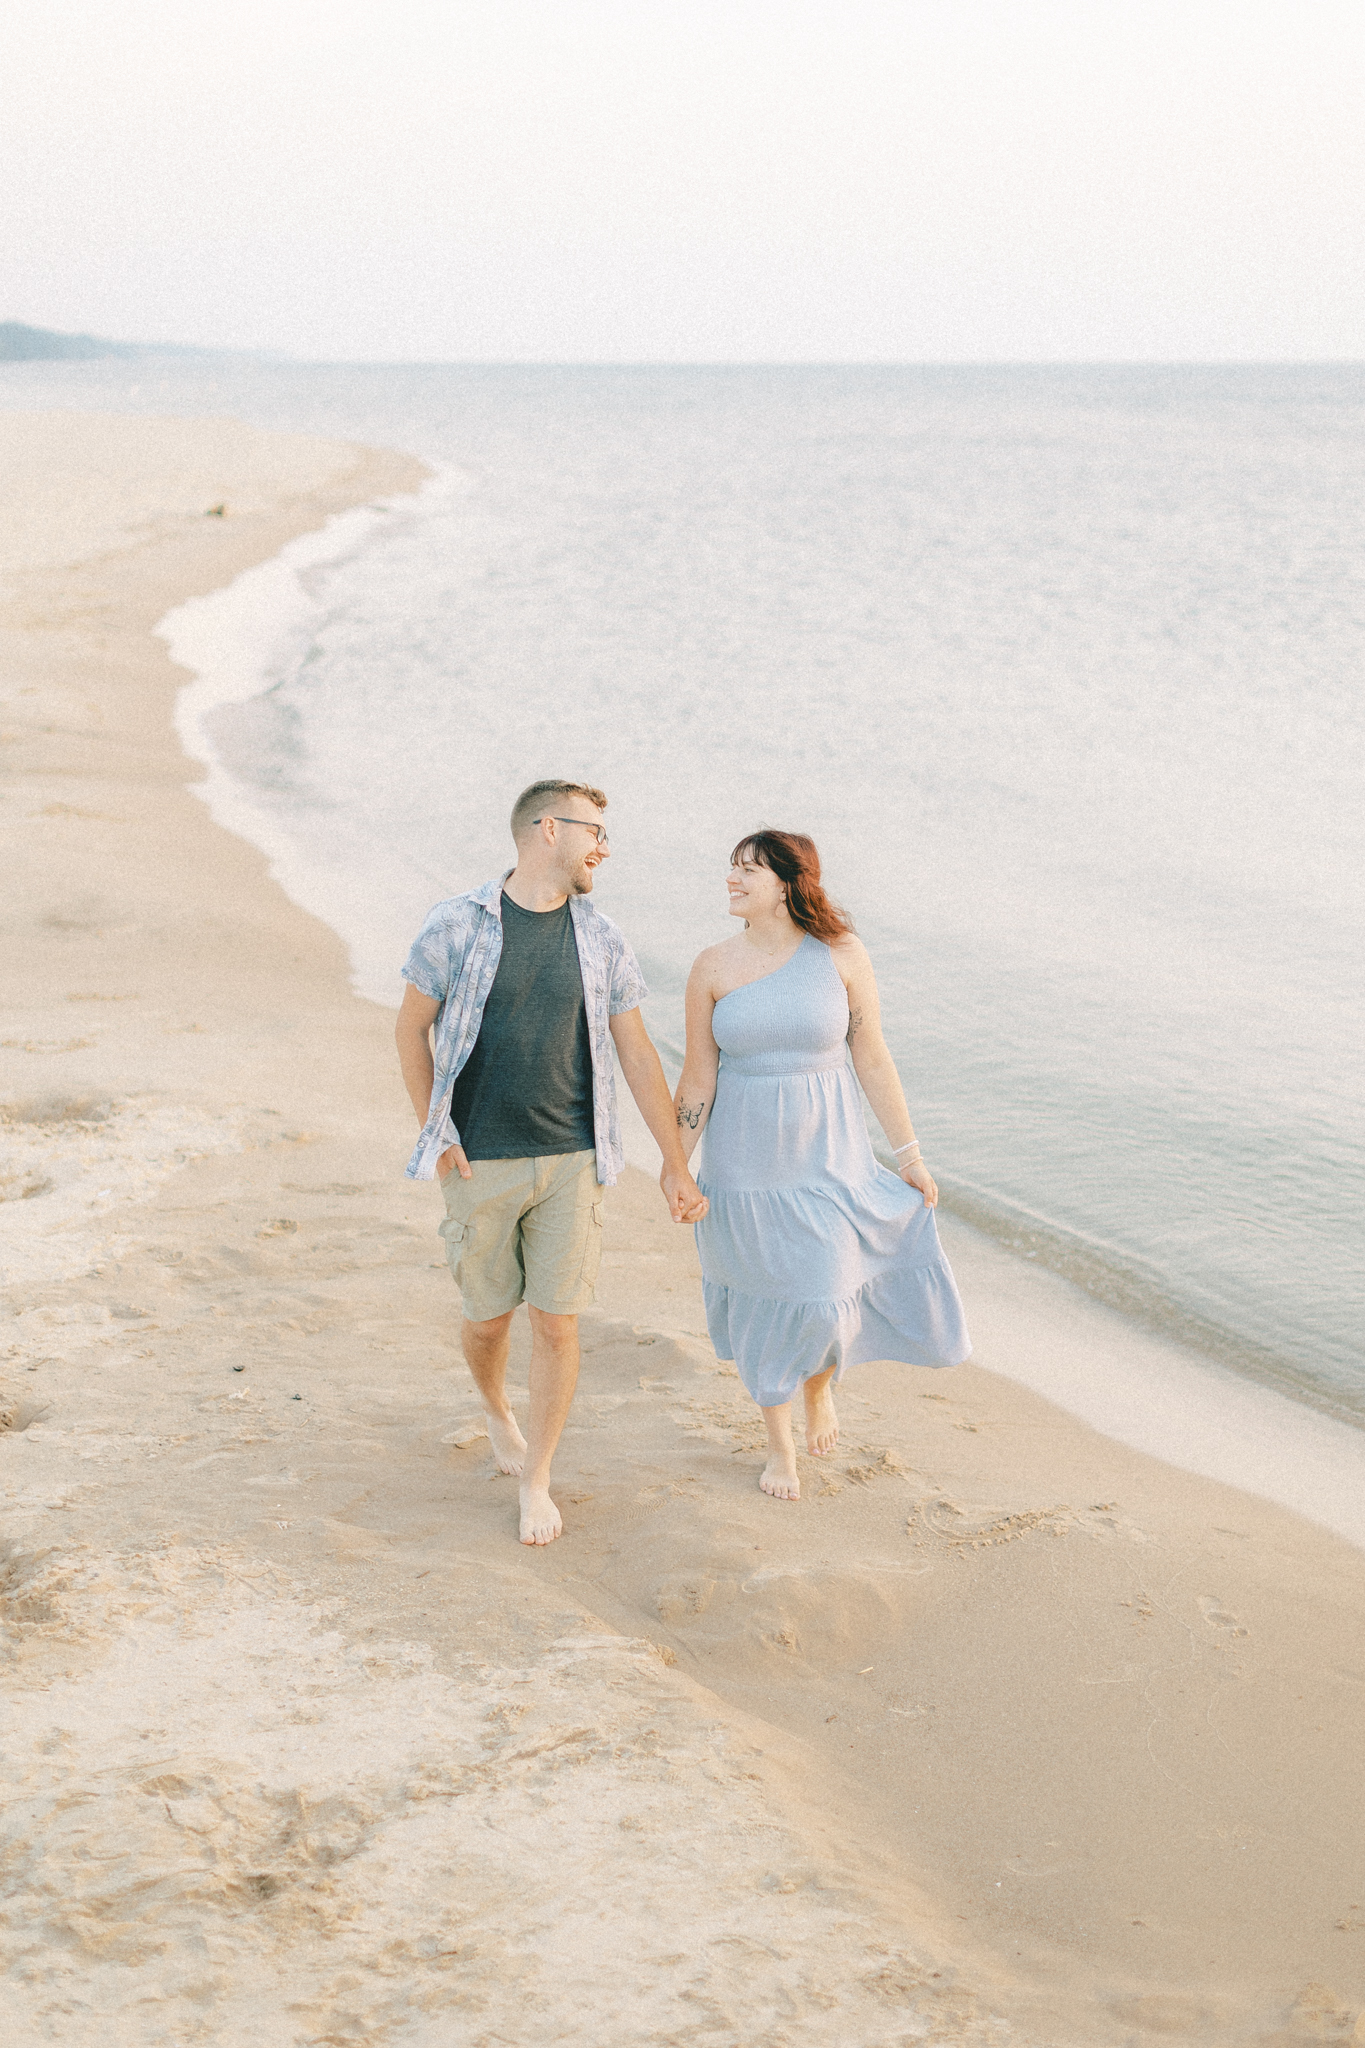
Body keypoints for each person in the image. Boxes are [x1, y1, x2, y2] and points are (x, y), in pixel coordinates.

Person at [396, 779, 708, 1547]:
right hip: (481, 1162)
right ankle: (496, 1407)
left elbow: (636, 1052)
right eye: (594, 830)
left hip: (574, 1157)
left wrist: (674, 1162)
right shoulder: (457, 924)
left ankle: (536, 1478)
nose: (603, 846)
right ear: (546, 830)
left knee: (558, 1325)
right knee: (487, 1317)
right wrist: (436, 1134)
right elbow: (412, 1032)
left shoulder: (601, 936)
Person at [673, 829, 970, 1501]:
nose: (731, 879)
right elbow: (695, 1078)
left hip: (827, 1162)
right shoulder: (711, 966)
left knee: (817, 1298)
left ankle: (819, 1388)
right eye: (730, 868)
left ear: (785, 881)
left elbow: (871, 1055)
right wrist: (674, 1166)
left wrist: (910, 1155)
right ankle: (778, 1445)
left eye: (746, 870)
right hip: (744, 1170)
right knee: (764, 1304)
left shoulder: (839, 953)